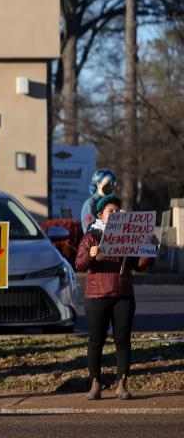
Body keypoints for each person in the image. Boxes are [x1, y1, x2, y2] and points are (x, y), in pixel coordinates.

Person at [76, 194, 153, 400]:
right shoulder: (91, 237)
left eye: (119, 211)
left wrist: (150, 248)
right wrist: (90, 254)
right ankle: (95, 384)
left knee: (123, 340)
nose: (116, 214)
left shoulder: (129, 236)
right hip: (97, 295)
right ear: (100, 215)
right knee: (96, 341)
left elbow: (140, 265)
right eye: (112, 211)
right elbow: (79, 264)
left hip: (123, 295)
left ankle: (122, 384)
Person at [80, 169, 117, 233]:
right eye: (107, 183)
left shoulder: (112, 202)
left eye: (112, 183)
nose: (110, 186)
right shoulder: (90, 204)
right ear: (98, 184)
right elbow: (89, 228)